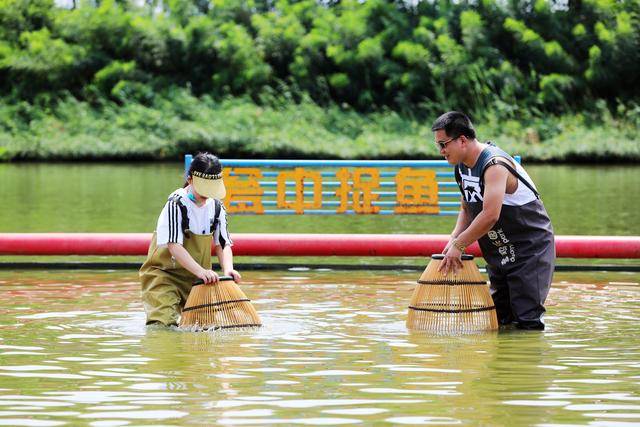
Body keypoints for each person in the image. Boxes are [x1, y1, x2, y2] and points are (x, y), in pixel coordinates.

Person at [432, 111, 555, 330]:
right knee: (499, 318)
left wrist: (460, 244)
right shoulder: (462, 166)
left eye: (443, 144)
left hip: (529, 249)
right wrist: (453, 238)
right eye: (438, 145)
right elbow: (467, 206)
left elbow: (490, 215)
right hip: (500, 249)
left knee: (527, 320)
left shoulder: (494, 165)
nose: (441, 151)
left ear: (462, 140)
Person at [139, 152, 241, 327]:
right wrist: (201, 271)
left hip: (196, 279)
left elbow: (222, 243)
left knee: (204, 326)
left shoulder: (217, 207)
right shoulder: (176, 204)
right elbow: (174, 246)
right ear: (190, 179)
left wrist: (228, 269)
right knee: (163, 324)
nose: (207, 195)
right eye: (203, 189)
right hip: (164, 275)